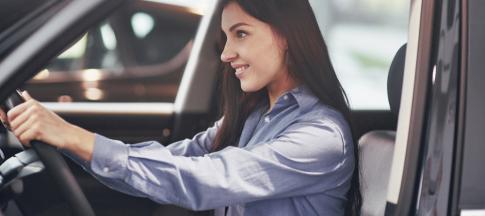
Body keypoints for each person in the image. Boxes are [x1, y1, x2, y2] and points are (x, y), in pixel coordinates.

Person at [1, 0, 361, 215]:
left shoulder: (321, 137)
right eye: (226, 38)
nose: (225, 54)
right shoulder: (254, 116)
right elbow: (171, 163)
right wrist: (63, 139)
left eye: (241, 33)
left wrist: (71, 136)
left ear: (285, 35)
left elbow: (200, 179)